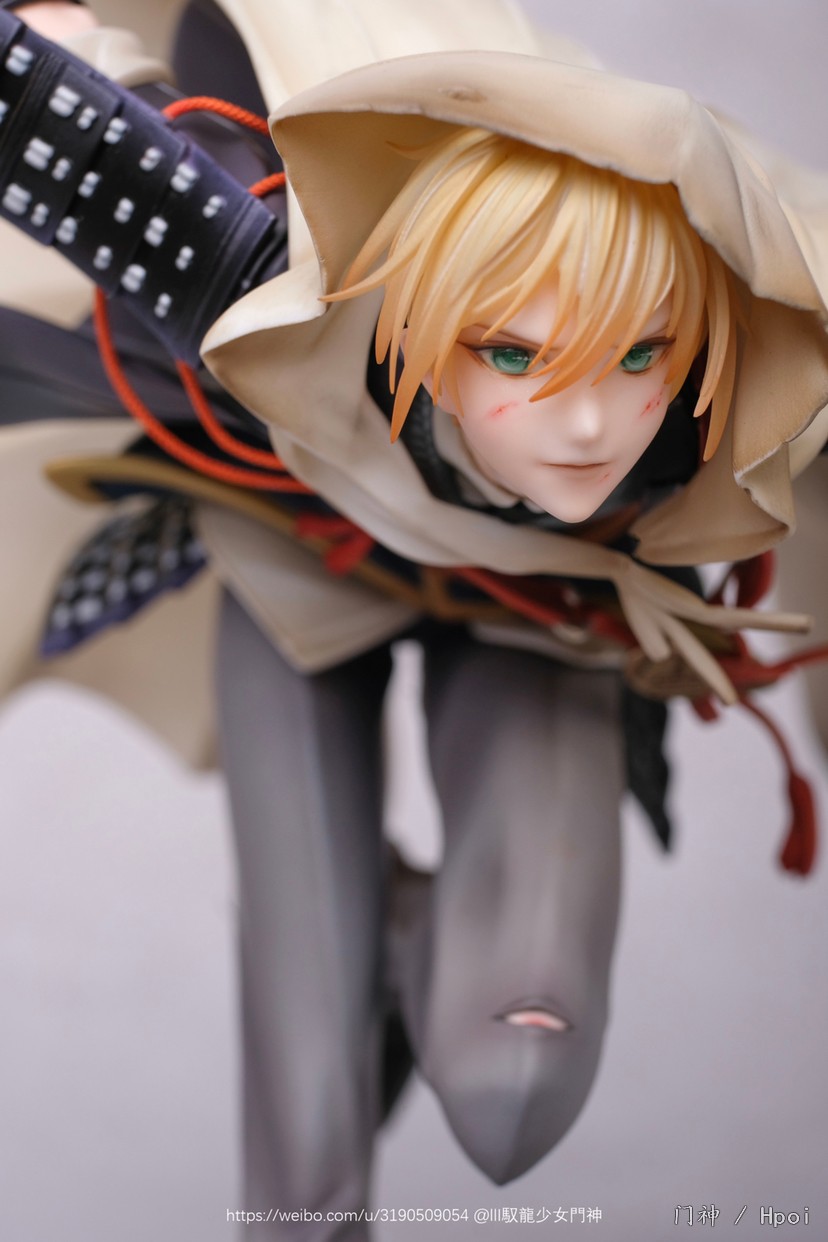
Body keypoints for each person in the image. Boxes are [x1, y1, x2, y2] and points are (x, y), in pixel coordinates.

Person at [2, 1, 828, 1236]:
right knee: (307, 1139)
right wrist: (85, 49)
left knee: (516, 1070)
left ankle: (402, 934)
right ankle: (358, 962)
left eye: (639, 358)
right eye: (515, 356)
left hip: (549, 611)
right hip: (303, 550)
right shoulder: (269, 276)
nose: (588, 426)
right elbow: (87, 133)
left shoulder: (725, 426)